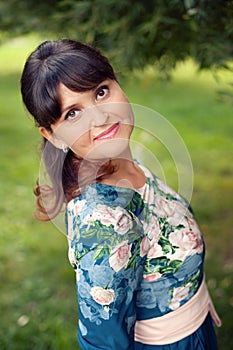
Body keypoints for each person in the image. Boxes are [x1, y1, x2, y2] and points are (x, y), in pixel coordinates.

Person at [20, 39, 221, 349]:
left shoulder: (124, 167)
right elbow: (103, 342)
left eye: (101, 92)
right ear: (52, 134)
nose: (100, 117)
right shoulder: (106, 222)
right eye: (72, 113)